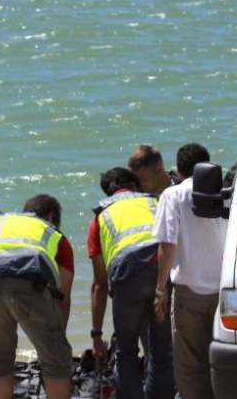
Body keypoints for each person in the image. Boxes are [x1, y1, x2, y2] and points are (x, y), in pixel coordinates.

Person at [0, 194, 75, 399]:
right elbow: (62, 297)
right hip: (29, 285)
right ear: (51, 216)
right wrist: (56, 337)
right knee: (56, 363)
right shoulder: (55, 235)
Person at [88, 168, 174, 399]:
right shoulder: (156, 202)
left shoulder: (101, 216)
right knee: (162, 352)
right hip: (161, 272)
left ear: (109, 193)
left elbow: (99, 284)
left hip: (127, 278)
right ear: (135, 185)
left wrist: (96, 333)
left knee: (125, 353)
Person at [152, 143, 227, 399]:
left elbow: (168, 244)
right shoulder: (227, 193)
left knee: (190, 366)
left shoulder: (172, 196)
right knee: (224, 359)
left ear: (180, 170)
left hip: (189, 292)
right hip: (226, 292)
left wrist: (160, 290)